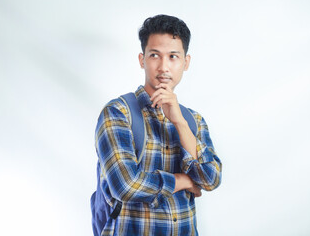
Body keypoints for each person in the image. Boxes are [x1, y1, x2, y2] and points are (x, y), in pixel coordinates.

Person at [92, 14, 222, 236]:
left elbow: (211, 179)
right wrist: (181, 181)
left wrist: (178, 121)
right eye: (155, 55)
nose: (164, 67)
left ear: (185, 62)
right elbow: (126, 185)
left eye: (173, 56)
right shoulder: (118, 113)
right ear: (142, 60)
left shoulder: (194, 120)